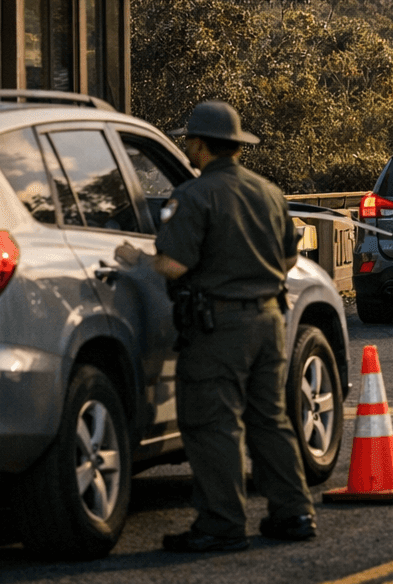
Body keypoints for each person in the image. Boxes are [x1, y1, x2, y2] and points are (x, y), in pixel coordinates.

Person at [116, 100, 317, 553]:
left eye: (190, 140)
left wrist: (137, 260)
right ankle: (295, 513)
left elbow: (172, 263)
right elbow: (288, 260)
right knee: (271, 419)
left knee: (213, 424)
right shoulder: (268, 192)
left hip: (219, 326)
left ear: (201, 145)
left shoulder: (194, 196)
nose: (188, 146)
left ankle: (222, 523)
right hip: (270, 319)